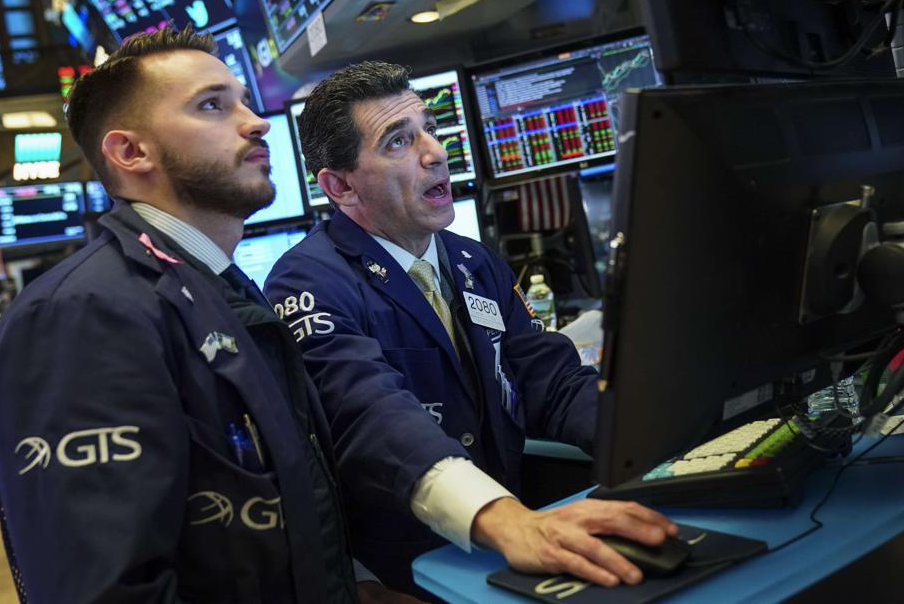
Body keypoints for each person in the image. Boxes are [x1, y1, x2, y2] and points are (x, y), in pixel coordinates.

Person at [0, 26, 376, 603]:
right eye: (213, 105)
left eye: (242, 99)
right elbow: (103, 591)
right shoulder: (83, 314)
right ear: (131, 152)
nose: (256, 121)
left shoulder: (216, 287)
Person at [265, 61, 678, 596]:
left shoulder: (472, 261)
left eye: (428, 129)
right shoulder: (308, 281)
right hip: (407, 573)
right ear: (341, 186)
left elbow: (549, 381)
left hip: (508, 546)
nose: (435, 152)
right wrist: (504, 519)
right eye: (398, 141)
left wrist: (659, 440)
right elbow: (371, 415)